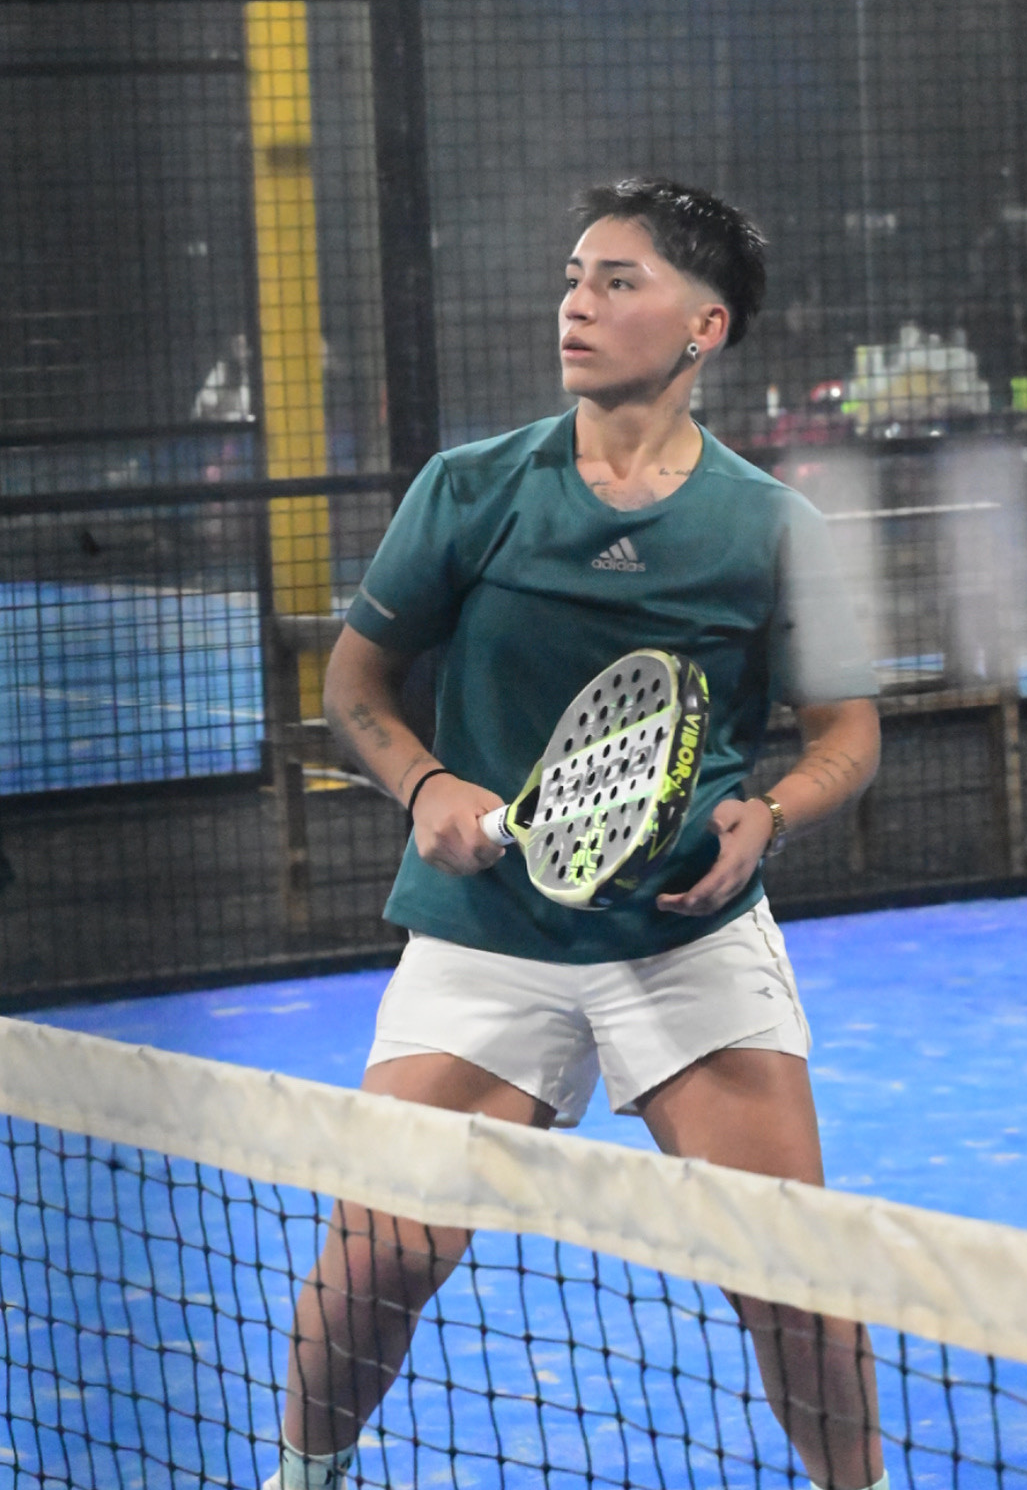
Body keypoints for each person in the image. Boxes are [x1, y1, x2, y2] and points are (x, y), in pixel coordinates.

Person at [265, 179, 887, 1490]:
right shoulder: (471, 489)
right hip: (488, 933)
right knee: (375, 1257)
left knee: (795, 1282)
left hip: (685, 938)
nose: (577, 304)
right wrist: (427, 788)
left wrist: (771, 812)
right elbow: (355, 687)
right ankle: (303, 1478)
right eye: (572, 278)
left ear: (705, 326)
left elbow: (848, 732)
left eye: (618, 281)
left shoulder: (774, 526)